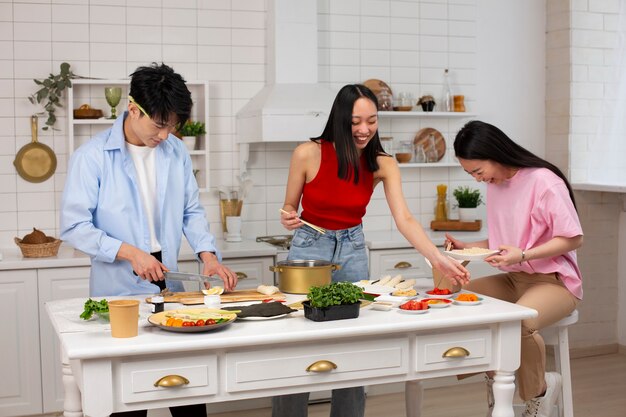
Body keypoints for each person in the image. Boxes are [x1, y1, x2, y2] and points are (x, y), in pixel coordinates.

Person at [274, 84, 470, 417]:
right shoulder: (307, 153)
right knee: (297, 342)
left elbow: (405, 218)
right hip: (310, 246)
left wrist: (438, 258)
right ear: (340, 119)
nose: (364, 130)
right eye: (355, 122)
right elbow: (289, 207)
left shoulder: (382, 163)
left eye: (372, 121)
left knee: (352, 344)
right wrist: (288, 216)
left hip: (352, 249)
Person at [60, 63, 238, 417]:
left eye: (173, 125)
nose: (166, 134)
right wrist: (130, 254)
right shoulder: (91, 157)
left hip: (170, 286)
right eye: (159, 124)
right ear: (132, 109)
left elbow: (191, 210)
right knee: (129, 397)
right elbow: (74, 226)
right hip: (119, 289)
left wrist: (209, 256)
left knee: (188, 390)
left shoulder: (175, 153)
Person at [446, 120, 582, 417]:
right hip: (516, 278)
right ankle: (500, 391)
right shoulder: (497, 185)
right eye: (470, 174)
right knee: (459, 301)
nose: (478, 180)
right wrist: (464, 249)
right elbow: (502, 242)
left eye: (478, 171)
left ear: (495, 154)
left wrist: (524, 254)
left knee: (518, 323)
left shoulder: (545, 182)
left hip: (554, 282)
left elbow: (573, 238)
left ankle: (538, 396)